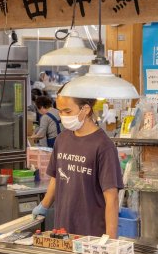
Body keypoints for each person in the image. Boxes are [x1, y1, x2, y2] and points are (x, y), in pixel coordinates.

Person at [32, 96, 123, 238]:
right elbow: (57, 177)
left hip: (91, 234)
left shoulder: (103, 146)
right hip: (62, 232)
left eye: (67, 112)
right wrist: (44, 205)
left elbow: (112, 198)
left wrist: (110, 241)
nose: (63, 116)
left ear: (85, 109)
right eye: (60, 111)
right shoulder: (62, 139)